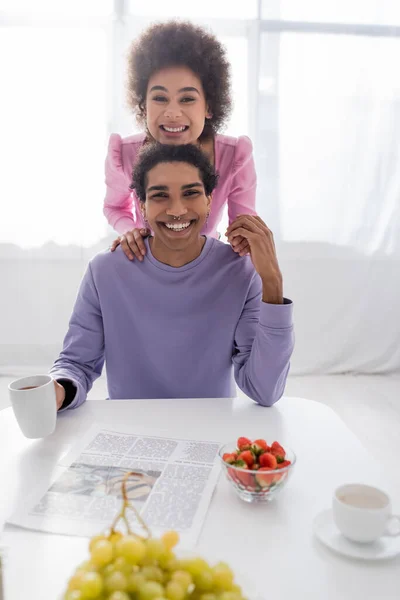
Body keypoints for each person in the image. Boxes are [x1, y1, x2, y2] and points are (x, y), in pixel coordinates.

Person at [51, 144, 294, 411]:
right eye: (160, 196)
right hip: (130, 429)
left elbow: (265, 390)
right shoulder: (105, 271)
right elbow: (76, 364)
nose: (177, 209)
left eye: (191, 193)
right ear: (142, 206)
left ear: (209, 200)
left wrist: (272, 282)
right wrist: (58, 388)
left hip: (211, 428)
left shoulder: (240, 272)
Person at [105, 21, 257, 262]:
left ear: (208, 106)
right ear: (143, 105)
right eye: (160, 98)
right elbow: (114, 208)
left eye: (187, 99)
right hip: (145, 260)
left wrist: (243, 239)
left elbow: (244, 223)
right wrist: (130, 231)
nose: (172, 113)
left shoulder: (235, 156)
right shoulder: (123, 154)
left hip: (204, 264)